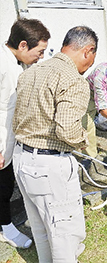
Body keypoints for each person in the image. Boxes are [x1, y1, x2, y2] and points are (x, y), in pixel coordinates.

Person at [12, 26, 98, 262]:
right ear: (88, 51)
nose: (87, 68)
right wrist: (83, 139)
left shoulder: (30, 72)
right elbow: (67, 129)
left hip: (22, 160)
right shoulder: (74, 80)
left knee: (40, 228)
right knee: (63, 234)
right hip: (48, 167)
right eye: (90, 62)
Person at [0, 18, 50, 249]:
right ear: (22, 45)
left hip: (9, 138)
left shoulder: (17, 64)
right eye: (39, 52)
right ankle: (5, 227)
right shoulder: (2, 65)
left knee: (7, 183)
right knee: (2, 186)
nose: (40, 57)